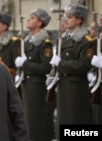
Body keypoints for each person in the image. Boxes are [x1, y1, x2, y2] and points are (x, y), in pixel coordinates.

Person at [49, 3, 95, 137]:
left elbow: (83, 65)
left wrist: (61, 63)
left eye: (70, 17)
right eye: (65, 17)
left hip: (76, 88)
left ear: (79, 20)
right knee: (63, 121)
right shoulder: (63, 39)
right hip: (63, 86)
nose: (66, 19)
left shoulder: (85, 41)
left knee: (75, 121)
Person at [15, 8, 54, 141]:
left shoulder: (44, 42)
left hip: (36, 85)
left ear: (39, 23)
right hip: (25, 83)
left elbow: (46, 67)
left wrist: (25, 64)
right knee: (25, 118)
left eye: (32, 18)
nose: (28, 19)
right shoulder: (26, 41)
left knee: (33, 119)